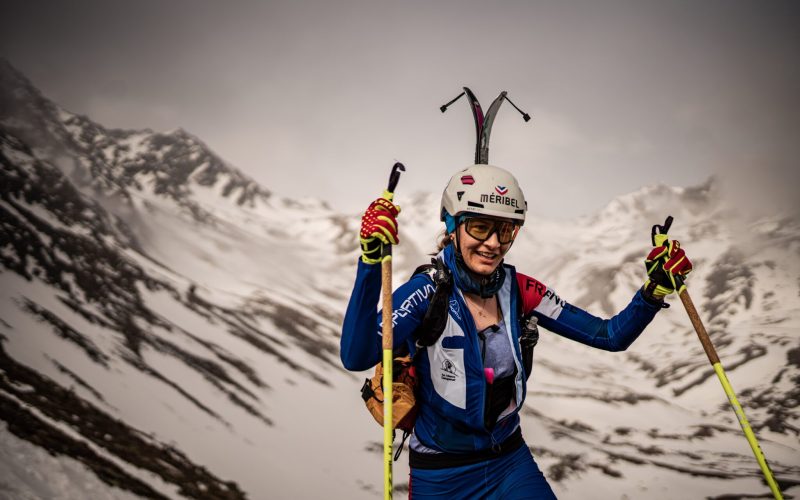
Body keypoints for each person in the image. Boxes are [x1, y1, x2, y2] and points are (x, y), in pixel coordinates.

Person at [340, 164, 692, 499]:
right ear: (452, 225)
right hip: (441, 476)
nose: (493, 243)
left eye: (505, 230)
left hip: (509, 462)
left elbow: (609, 336)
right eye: (480, 227)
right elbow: (356, 355)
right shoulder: (425, 292)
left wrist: (654, 290)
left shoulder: (520, 289)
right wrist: (371, 260)